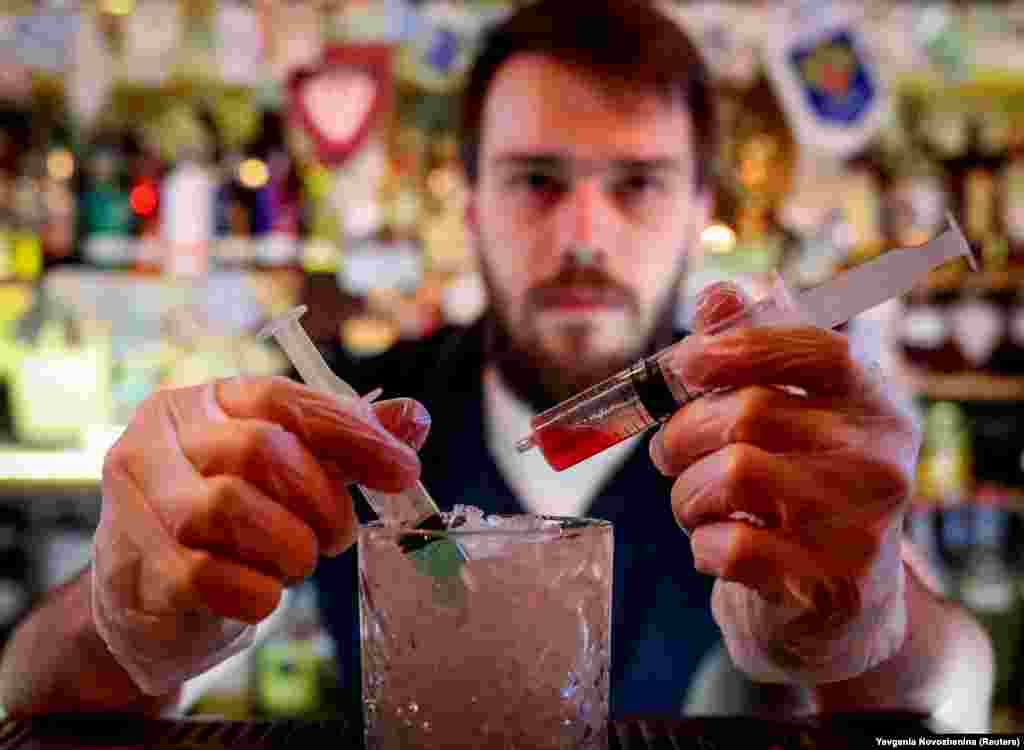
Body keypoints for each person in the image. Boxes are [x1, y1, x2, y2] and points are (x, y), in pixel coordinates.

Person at [0, 0, 993, 731]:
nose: (584, 236)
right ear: (467, 198)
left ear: (700, 210)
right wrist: (122, 620)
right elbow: (28, 698)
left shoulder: (775, 439)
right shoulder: (356, 413)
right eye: (535, 180)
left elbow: (956, 706)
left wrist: (867, 635)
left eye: (638, 185)